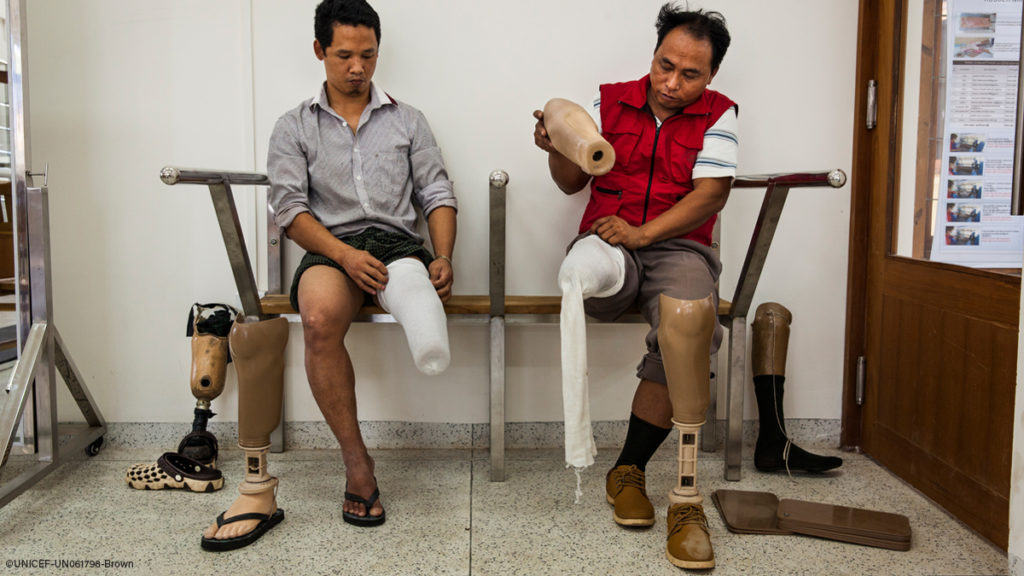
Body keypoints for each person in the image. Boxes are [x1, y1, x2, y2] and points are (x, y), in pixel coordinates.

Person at [201, 0, 457, 550]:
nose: (358, 67)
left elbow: (437, 191)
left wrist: (443, 256)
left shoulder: (409, 120)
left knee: (411, 281)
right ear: (320, 51)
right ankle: (356, 463)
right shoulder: (293, 126)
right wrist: (343, 256)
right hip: (331, 246)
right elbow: (291, 211)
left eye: (368, 54)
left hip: (397, 244)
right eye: (344, 55)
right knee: (316, 319)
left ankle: (419, 308)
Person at [533, 4, 735, 569]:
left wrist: (644, 233)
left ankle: (659, 485)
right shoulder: (608, 100)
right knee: (586, 273)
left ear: (711, 76)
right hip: (608, 243)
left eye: (690, 74)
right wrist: (558, 148)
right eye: (664, 65)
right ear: (653, 56)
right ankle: (626, 472)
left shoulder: (721, 115)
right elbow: (574, 181)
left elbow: (710, 196)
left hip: (676, 246)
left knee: (690, 325)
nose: (671, 83)